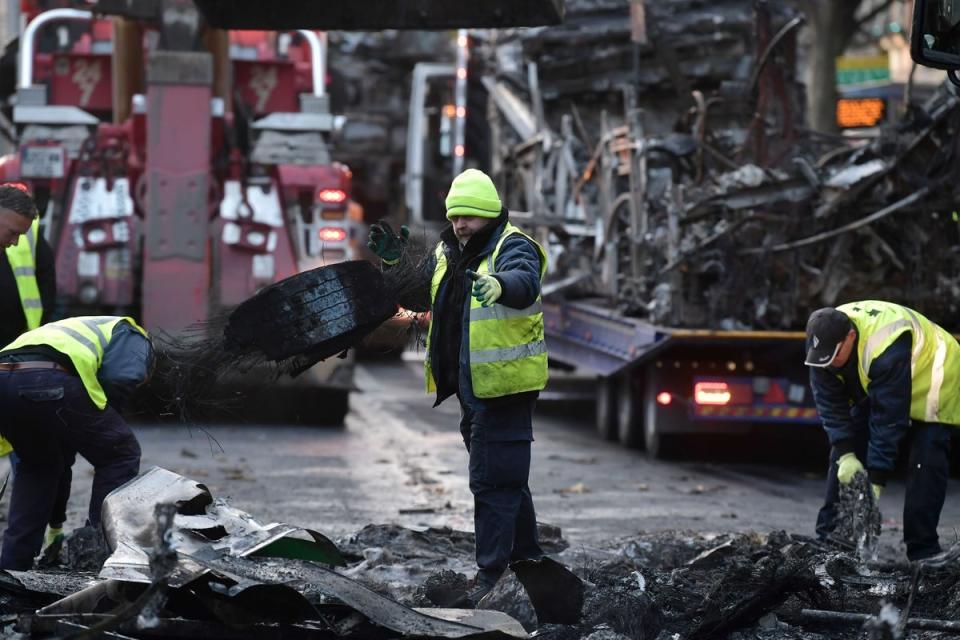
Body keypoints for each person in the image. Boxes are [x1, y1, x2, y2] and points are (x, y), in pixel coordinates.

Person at [368, 168, 548, 604]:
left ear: (489, 213)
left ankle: (489, 580)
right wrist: (393, 265)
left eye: (469, 216)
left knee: (492, 483)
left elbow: (525, 283)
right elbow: (417, 298)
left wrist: (498, 284)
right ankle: (531, 564)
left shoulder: (512, 247)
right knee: (506, 479)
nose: (460, 224)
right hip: (474, 391)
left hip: (504, 389)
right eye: (455, 216)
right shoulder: (450, 252)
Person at [805, 301, 959, 560]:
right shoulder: (821, 344)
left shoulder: (885, 347)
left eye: (835, 356)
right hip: (883, 376)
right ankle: (830, 539)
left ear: (851, 337)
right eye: (825, 358)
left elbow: (889, 420)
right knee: (846, 447)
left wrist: (875, 481)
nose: (830, 364)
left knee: (926, 458)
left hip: (935, 373)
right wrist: (845, 454)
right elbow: (831, 405)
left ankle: (923, 550)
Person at [0, 315, 153, 570]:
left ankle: (13, 565)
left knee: (39, 466)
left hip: (4, 381)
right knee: (120, 454)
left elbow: (61, 463)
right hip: (47, 378)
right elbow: (121, 378)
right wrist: (104, 420)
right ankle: (94, 556)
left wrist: (56, 524)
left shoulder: (71, 330)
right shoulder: (134, 334)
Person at [0, 182, 66, 551]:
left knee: (36, 457)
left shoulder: (23, 244)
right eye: (12, 232)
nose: (14, 243)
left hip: (16, 361)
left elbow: (50, 295)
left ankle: (32, 544)